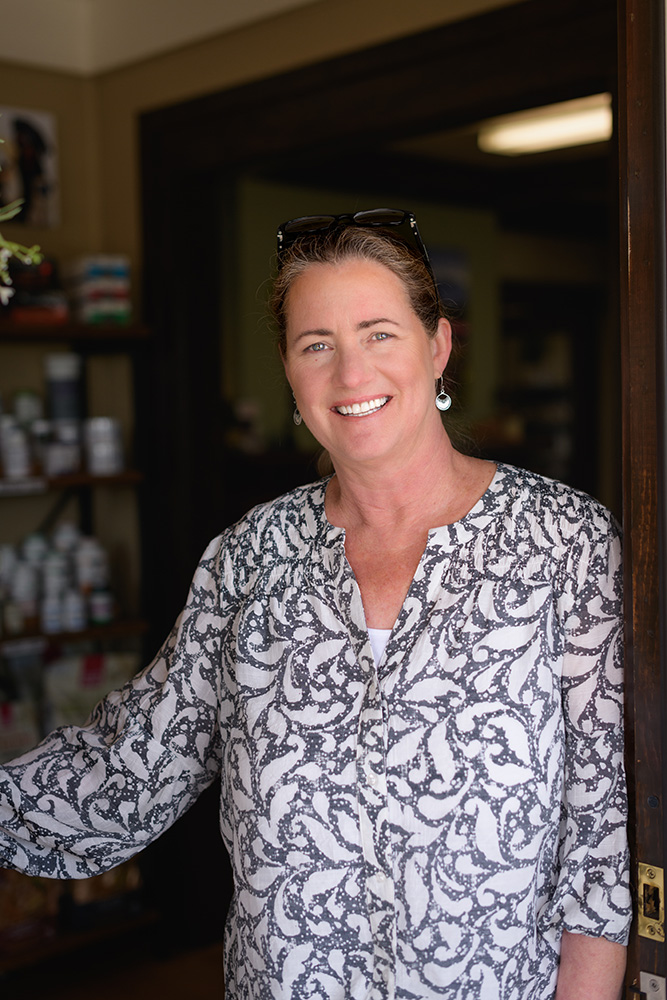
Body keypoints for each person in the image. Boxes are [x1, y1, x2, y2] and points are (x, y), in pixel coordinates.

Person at [0, 209, 631, 999]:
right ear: (289, 373)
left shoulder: (564, 544)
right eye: (316, 345)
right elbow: (131, 767)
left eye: (378, 333)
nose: (350, 374)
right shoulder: (249, 559)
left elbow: (598, 838)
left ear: (436, 346)